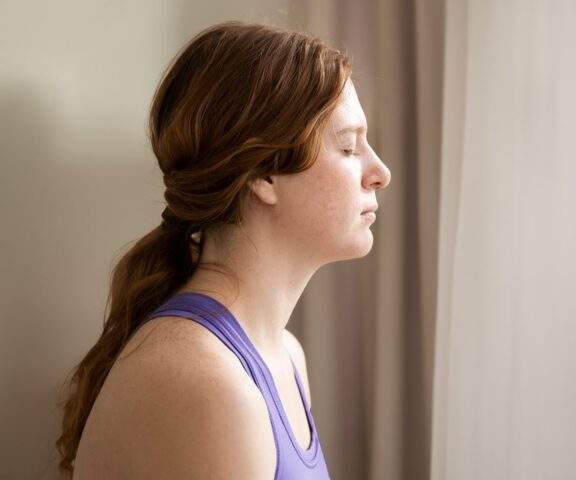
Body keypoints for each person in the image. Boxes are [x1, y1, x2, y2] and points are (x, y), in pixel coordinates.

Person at [55, 20, 390, 479]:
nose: (380, 172)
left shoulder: (284, 355)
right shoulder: (208, 383)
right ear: (263, 175)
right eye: (349, 147)